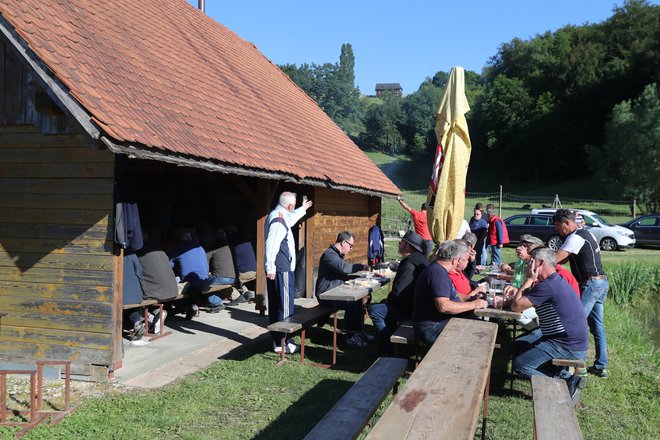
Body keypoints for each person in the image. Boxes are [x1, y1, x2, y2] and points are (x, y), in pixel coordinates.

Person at [510, 248, 589, 403]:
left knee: (520, 365)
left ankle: (563, 384)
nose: (528, 265)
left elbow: (516, 306)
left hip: (566, 343)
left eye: (531, 262)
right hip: (569, 339)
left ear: (540, 263)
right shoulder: (553, 281)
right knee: (517, 346)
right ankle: (565, 376)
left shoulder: (547, 286)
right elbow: (521, 301)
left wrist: (528, 279)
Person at [553, 209, 609, 378]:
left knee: (575, 323)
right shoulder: (586, 234)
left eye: (557, 226)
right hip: (601, 282)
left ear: (566, 223)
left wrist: (539, 257)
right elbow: (564, 258)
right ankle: (601, 366)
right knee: (597, 326)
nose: (557, 230)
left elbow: (557, 258)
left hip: (591, 284)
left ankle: (579, 365)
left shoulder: (575, 237)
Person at [412, 240, 488, 345]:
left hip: (434, 323)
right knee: (482, 330)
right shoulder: (437, 273)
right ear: (454, 260)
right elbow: (444, 306)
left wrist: (470, 298)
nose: (458, 263)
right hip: (430, 327)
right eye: (458, 260)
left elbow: (453, 295)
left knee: (482, 325)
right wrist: (474, 304)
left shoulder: (438, 270)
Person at [265, 191, 313, 354]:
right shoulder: (278, 219)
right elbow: (271, 245)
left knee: (278, 304)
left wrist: (302, 209)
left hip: (280, 268)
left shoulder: (280, 214)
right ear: (290, 206)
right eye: (294, 207)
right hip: (281, 268)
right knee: (285, 306)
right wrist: (270, 266)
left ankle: (279, 340)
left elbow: (290, 220)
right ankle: (283, 342)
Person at [368, 231, 427, 354]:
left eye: (401, 242)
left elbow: (398, 292)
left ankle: (388, 349)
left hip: (410, 310)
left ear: (407, 246)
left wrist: (388, 301)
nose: (399, 244)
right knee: (383, 307)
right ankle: (391, 343)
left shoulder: (409, 265)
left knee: (375, 310)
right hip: (417, 306)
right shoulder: (420, 259)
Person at [316, 231, 370, 348]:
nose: (350, 249)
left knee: (360, 299)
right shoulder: (329, 255)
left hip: (333, 291)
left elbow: (341, 274)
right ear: (344, 242)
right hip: (325, 294)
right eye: (350, 245)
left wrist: (358, 277)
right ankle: (351, 337)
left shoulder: (336, 255)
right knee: (352, 303)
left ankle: (358, 332)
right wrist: (361, 266)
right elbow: (343, 269)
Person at [169, 229, 224, 313]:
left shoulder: (179, 248)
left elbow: (168, 264)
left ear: (178, 239)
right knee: (197, 287)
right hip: (204, 279)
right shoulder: (200, 247)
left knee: (175, 283)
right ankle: (193, 306)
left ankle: (184, 306)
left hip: (190, 282)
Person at [123, 252, 145, 340]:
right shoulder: (131, 254)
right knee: (131, 305)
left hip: (122, 295)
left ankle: (136, 323)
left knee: (126, 302)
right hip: (136, 294)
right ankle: (137, 322)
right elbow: (139, 271)